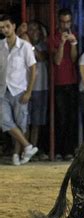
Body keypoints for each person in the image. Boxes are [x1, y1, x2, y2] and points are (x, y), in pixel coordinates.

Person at [0, 14, 38, 165]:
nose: (5, 30)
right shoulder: (0, 46)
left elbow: (33, 69)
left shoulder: (24, 46)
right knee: (5, 121)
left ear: (14, 26)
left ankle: (17, 154)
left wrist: (29, 91)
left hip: (19, 89)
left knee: (20, 122)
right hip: (3, 89)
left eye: (7, 26)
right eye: (2, 27)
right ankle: (28, 146)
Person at [51, 8, 78, 161]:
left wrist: (73, 43)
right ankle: (59, 150)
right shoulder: (54, 36)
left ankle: (68, 150)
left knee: (71, 118)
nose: (65, 25)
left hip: (73, 81)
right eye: (62, 21)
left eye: (67, 21)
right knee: (60, 118)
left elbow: (74, 59)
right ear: (58, 21)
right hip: (58, 83)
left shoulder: (74, 35)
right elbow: (57, 61)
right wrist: (62, 42)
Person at [26, 21, 49, 160]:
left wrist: (31, 46)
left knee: (36, 122)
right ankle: (24, 148)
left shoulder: (43, 45)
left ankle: (33, 149)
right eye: (31, 29)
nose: (34, 32)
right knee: (25, 121)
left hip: (41, 87)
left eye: (36, 29)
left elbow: (42, 57)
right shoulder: (22, 46)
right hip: (26, 87)